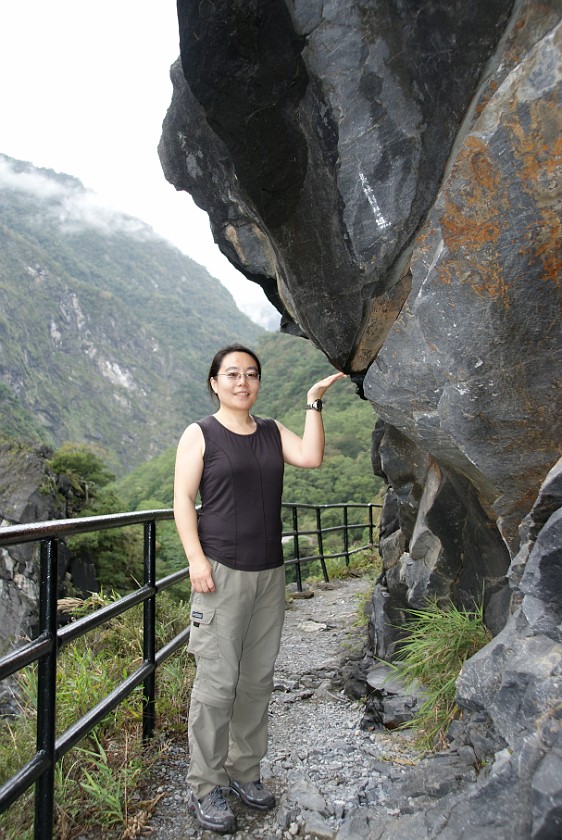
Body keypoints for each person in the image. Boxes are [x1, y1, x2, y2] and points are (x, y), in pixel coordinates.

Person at [173, 343, 345, 834]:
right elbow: (183, 498)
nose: (241, 382)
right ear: (214, 382)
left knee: (256, 681)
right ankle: (205, 786)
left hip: (269, 574)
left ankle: (245, 772)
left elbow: (311, 457)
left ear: (258, 382)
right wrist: (195, 561)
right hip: (220, 572)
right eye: (231, 374)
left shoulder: (270, 432)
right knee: (215, 685)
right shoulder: (201, 433)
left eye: (250, 374)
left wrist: (314, 401)